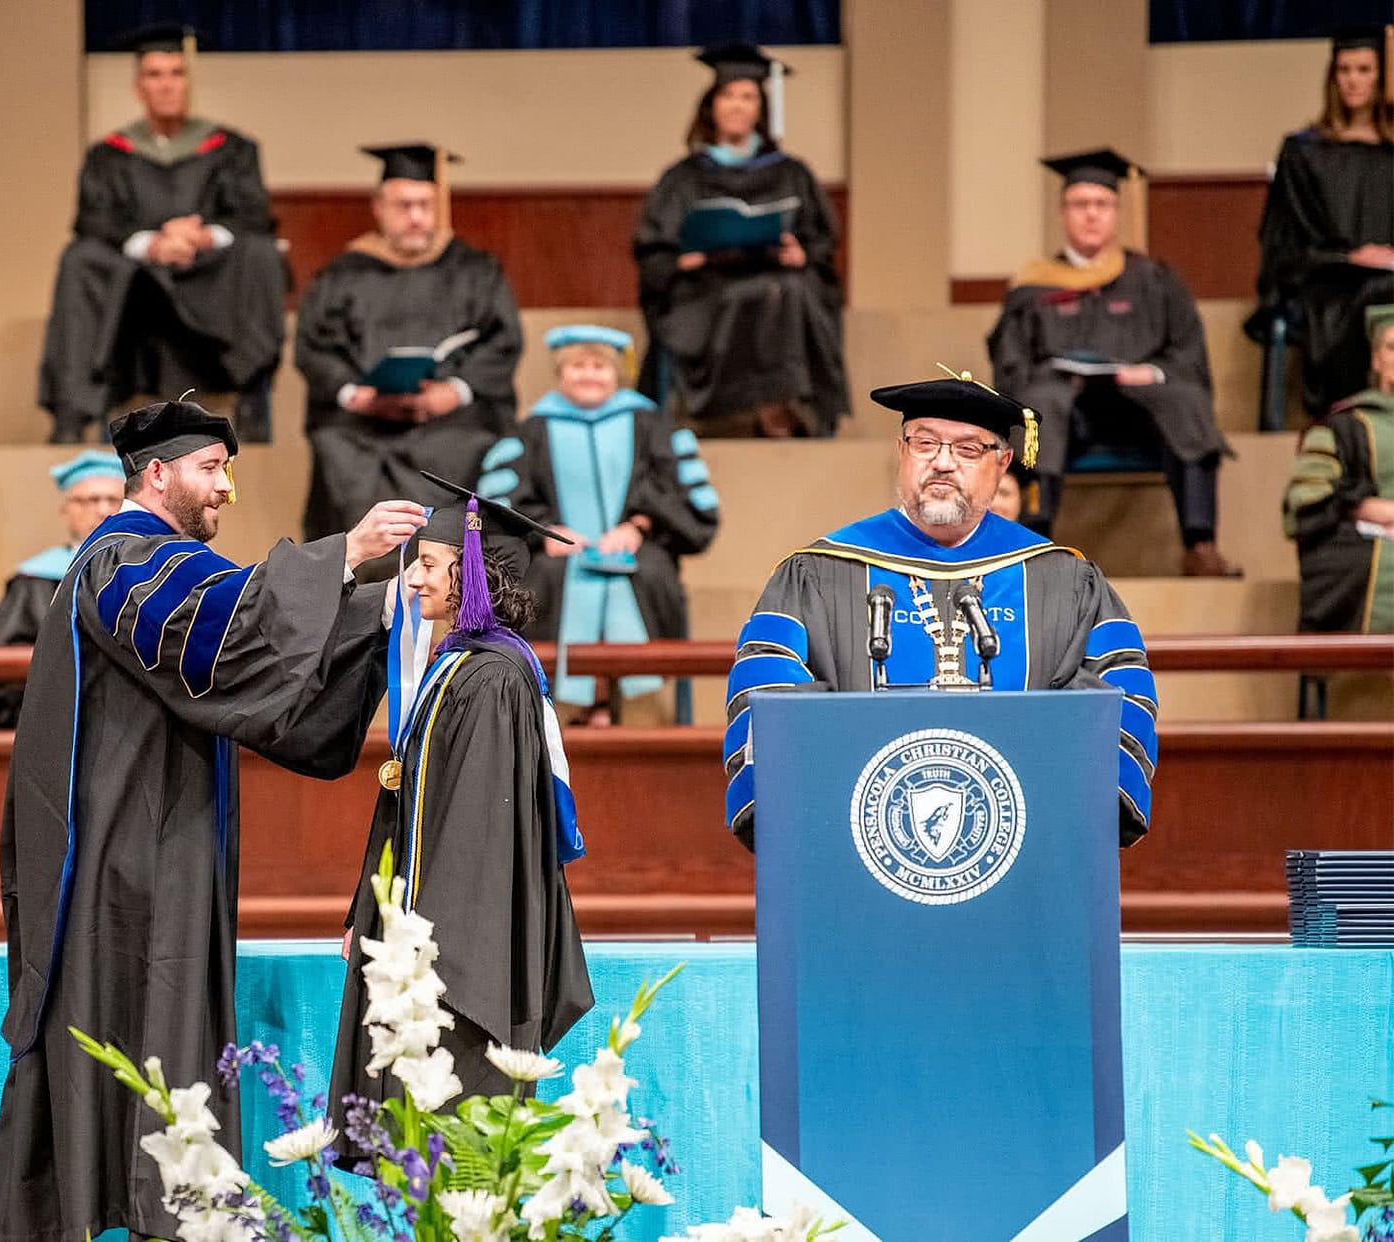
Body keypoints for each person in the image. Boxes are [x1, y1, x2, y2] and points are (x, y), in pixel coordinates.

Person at [0, 398, 427, 1242]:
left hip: (164, 840)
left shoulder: (158, 560)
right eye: (212, 469)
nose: (227, 490)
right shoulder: (122, 561)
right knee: (135, 1021)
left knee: (155, 1028)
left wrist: (378, 608)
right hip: (124, 857)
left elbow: (251, 662)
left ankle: (164, 1212)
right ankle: (152, 1215)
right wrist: (344, 558)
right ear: (157, 472)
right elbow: (214, 630)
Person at [723, 375, 1158, 851]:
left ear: (1003, 462)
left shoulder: (1065, 582)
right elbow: (765, 694)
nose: (943, 463)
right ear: (902, 451)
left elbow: (1118, 696)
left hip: (1033, 859)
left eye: (969, 449)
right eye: (925, 443)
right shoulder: (818, 574)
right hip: (850, 856)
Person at [329, 479, 592, 1130]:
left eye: (425, 564)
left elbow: (475, 839)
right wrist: (368, 914)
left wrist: (428, 961)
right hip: (427, 950)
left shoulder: (495, 679)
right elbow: (404, 804)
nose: (412, 581)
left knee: (454, 1156)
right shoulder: (460, 667)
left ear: (472, 571)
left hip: (462, 970)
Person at [987, 148, 1237, 577]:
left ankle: (1201, 545)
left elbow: (1188, 351)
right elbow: (1011, 363)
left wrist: (1151, 371)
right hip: (1067, 412)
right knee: (1035, 403)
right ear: (1063, 213)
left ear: (1116, 212)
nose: (1091, 215)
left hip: (1141, 409)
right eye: (1080, 205)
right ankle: (1032, 540)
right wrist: (1053, 376)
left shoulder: (1154, 279)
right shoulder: (1034, 286)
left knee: (1185, 398)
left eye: (1101, 205)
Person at [38, 23, 285, 445]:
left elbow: (253, 215)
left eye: (176, 73)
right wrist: (151, 243)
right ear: (139, 86)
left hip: (206, 269)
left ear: (188, 81)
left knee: (260, 253)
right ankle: (74, 410)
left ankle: (251, 395)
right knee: (79, 259)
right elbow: (94, 221)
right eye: (155, 75)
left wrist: (204, 237)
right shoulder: (108, 154)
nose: (167, 85)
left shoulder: (231, 148)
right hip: (136, 278)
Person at [476, 325, 719, 720]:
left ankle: (641, 716)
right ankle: (554, 713)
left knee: (650, 575)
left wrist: (639, 525)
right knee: (545, 581)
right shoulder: (532, 431)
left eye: (599, 366)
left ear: (615, 373)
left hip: (635, 558)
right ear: (560, 373)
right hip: (556, 563)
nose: (589, 374)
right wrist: (545, 531)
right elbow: (500, 508)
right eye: (578, 366)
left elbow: (686, 503)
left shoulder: (650, 426)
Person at [296, 142, 523, 541]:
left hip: (451, 426)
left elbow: (502, 342)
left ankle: (458, 588)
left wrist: (454, 392)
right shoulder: (344, 274)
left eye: (425, 205)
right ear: (378, 207)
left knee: (476, 448)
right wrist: (357, 396)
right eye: (403, 206)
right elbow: (314, 348)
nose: (416, 217)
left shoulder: (475, 270)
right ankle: (356, 591)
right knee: (337, 451)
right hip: (362, 430)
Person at [634, 43, 846, 438]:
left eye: (747, 96)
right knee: (755, 295)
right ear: (710, 106)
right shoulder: (683, 177)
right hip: (705, 284)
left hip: (777, 276)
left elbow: (821, 240)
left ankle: (778, 409)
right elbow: (652, 248)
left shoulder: (791, 173)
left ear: (760, 108)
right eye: (728, 95)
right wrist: (681, 260)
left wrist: (802, 253)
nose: (736, 105)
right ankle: (738, 414)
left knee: (788, 289)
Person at [1254, 26, 1394, 419]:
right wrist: (1349, 256)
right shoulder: (1306, 152)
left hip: (1389, 276)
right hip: (1329, 280)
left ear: (1382, 75)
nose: (1353, 80)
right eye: (1344, 69)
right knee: (1366, 296)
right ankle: (1350, 418)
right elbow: (1286, 240)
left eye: (1365, 69)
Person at [0, 450, 125, 731]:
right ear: (66, 509)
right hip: (54, 727)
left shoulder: (149, 575)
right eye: (91, 500)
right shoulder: (35, 580)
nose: (103, 510)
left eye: (114, 500)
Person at [1285, 303, 1394, 635]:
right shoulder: (1344, 427)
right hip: (1368, 542)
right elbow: (1306, 502)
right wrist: (1365, 507)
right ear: (1376, 359)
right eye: (1392, 347)